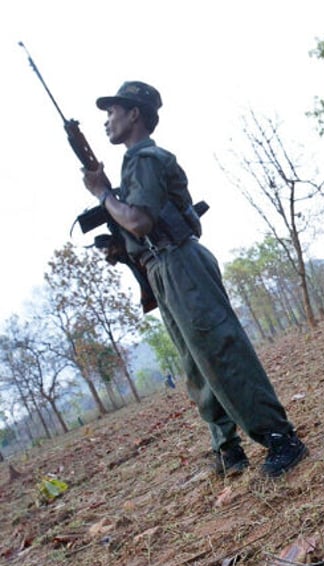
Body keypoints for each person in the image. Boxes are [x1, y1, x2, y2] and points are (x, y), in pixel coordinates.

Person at [81, 81, 307, 478]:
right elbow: (134, 225)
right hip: (163, 268)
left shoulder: (145, 158)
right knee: (196, 364)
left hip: (179, 262)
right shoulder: (133, 164)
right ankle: (227, 449)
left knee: (221, 350)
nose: (107, 120)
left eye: (112, 111)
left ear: (135, 114)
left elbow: (140, 220)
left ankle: (281, 439)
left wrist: (103, 195)